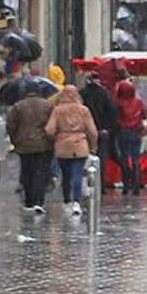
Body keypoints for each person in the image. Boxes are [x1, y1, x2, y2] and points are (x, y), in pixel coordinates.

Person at [45, 86, 99, 215]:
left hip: (62, 145)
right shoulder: (83, 110)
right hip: (80, 144)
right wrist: (93, 146)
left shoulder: (57, 110)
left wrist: (56, 138)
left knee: (66, 175)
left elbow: (49, 130)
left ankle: (66, 200)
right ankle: (76, 202)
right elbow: (93, 131)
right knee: (78, 173)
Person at [6, 85, 55, 212]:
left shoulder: (18, 106)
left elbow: (11, 125)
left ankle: (29, 201)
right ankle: (39, 200)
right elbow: (52, 125)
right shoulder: (48, 105)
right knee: (41, 172)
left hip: (24, 144)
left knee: (27, 171)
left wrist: (14, 140)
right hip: (44, 144)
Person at [79, 73, 120, 195]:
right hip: (102, 131)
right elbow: (113, 111)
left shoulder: (82, 93)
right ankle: (100, 187)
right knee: (101, 159)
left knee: (84, 159)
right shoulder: (104, 93)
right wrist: (107, 128)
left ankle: (85, 186)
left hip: (85, 132)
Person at [114, 80, 147, 195]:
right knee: (136, 158)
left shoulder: (118, 103)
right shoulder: (139, 102)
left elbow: (115, 116)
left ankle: (126, 183)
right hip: (136, 132)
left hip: (123, 132)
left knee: (124, 158)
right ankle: (136, 184)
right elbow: (145, 114)